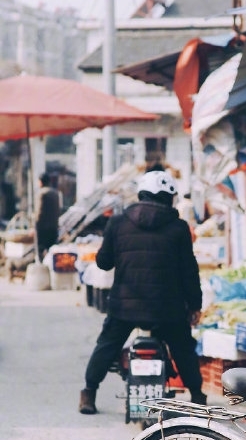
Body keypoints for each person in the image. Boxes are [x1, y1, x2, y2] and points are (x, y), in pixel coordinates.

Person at [78, 170, 206, 415]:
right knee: (183, 348)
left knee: (107, 344)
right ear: (169, 199)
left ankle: (88, 392)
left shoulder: (117, 223)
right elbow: (189, 271)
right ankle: (198, 397)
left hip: (125, 307)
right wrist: (195, 306)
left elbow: (103, 263)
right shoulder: (179, 228)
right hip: (168, 309)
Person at [36, 171, 60, 258]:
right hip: (54, 227)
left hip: (43, 228)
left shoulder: (42, 193)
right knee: (52, 250)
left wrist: (35, 225)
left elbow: (39, 212)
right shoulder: (55, 193)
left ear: (41, 182)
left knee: (41, 250)